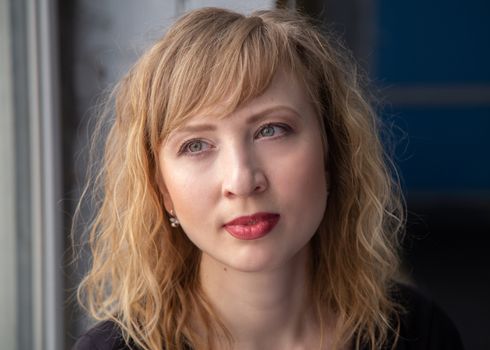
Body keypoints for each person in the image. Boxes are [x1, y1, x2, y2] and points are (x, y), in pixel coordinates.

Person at [73, 7, 464, 350]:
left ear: (332, 153)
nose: (242, 181)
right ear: (162, 191)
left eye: (271, 130)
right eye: (196, 145)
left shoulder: (419, 334)